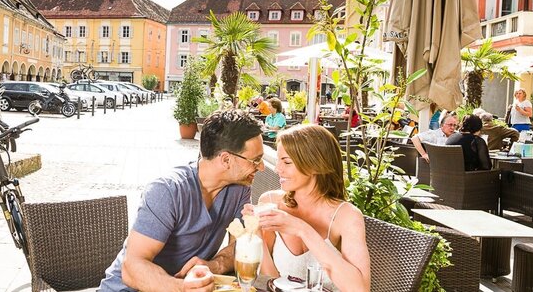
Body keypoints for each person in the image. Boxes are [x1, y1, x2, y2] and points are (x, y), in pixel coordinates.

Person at [100, 110, 264, 291]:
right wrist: (183, 288)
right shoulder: (167, 191)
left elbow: (241, 245)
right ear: (226, 160)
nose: (262, 167)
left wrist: (215, 265)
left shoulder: (240, 189)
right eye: (256, 160)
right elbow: (132, 268)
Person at [249, 124, 370, 291]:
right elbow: (270, 280)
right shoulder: (270, 202)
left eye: (287, 162)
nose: (277, 169)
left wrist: (303, 230)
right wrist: (256, 233)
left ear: (315, 164)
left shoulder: (346, 216)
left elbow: (360, 289)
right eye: (278, 161)